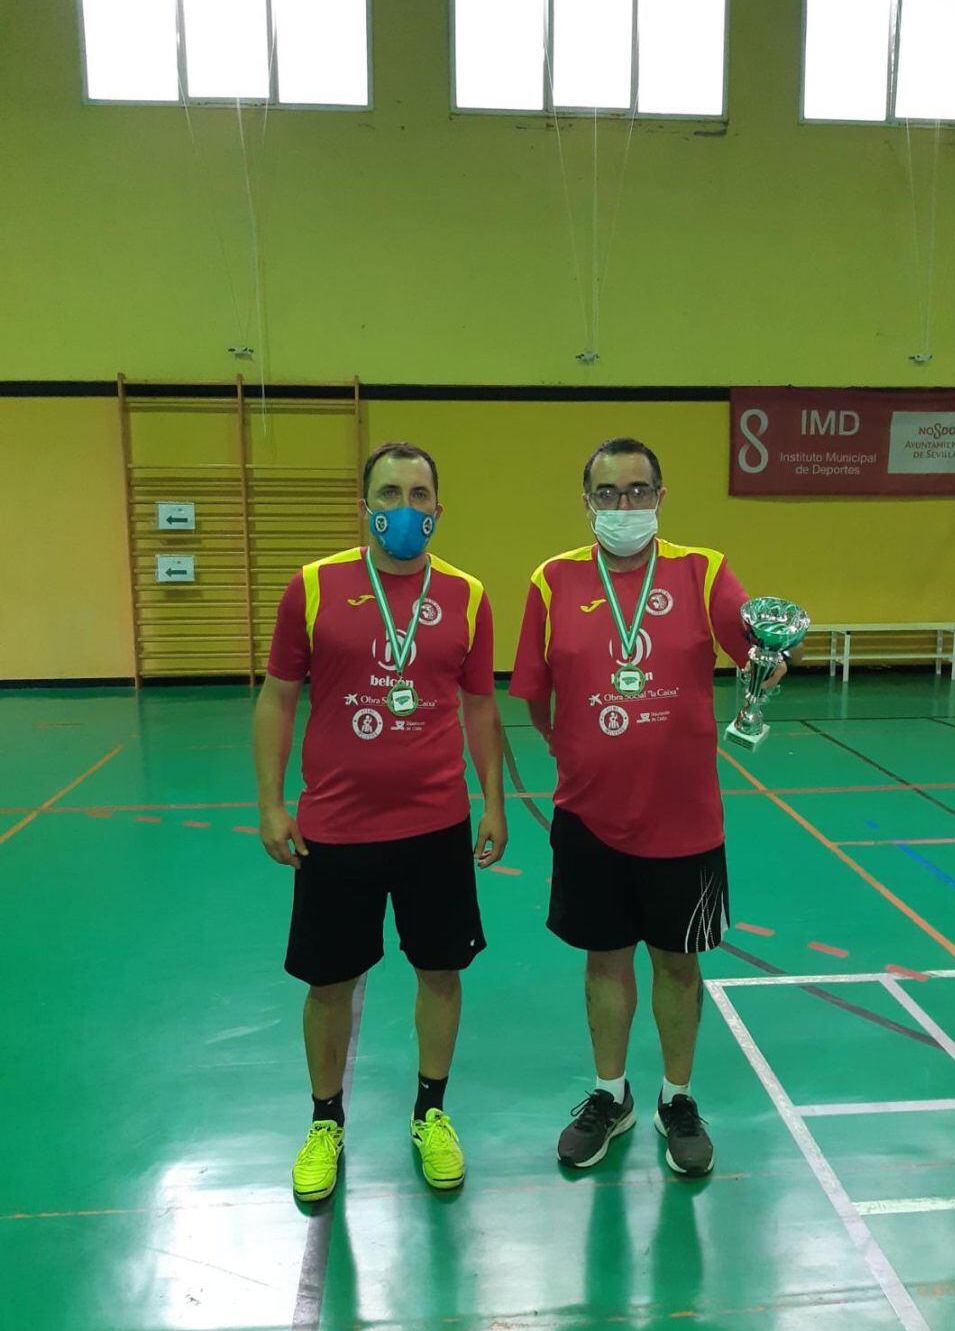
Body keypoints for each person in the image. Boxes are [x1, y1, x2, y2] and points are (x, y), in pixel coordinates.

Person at [510, 437, 788, 1178]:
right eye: (608, 493)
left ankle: (677, 1098)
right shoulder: (553, 580)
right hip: (589, 816)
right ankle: (610, 1094)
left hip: (684, 820)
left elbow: (753, 651)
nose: (623, 506)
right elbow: (535, 698)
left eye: (638, 492)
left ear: (661, 500)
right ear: (587, 502)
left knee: (678, 961)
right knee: (605, 959)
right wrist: (580, 752)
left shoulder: (704, 572)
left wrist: (771, 658)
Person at [254, 442, 506, 1201]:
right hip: (336, 827)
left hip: (435, 825)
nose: (405, 508)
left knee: (441, 971)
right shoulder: (313, 587)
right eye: (390, 492)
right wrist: (270, 802)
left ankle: (431, 1112)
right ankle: (325, 1122)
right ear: (365, 503)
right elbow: (276, 697)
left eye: (419, 494)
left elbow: (480, 703)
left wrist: (493, 799)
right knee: (330, 982)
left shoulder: (466, 594)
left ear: (438, 506)